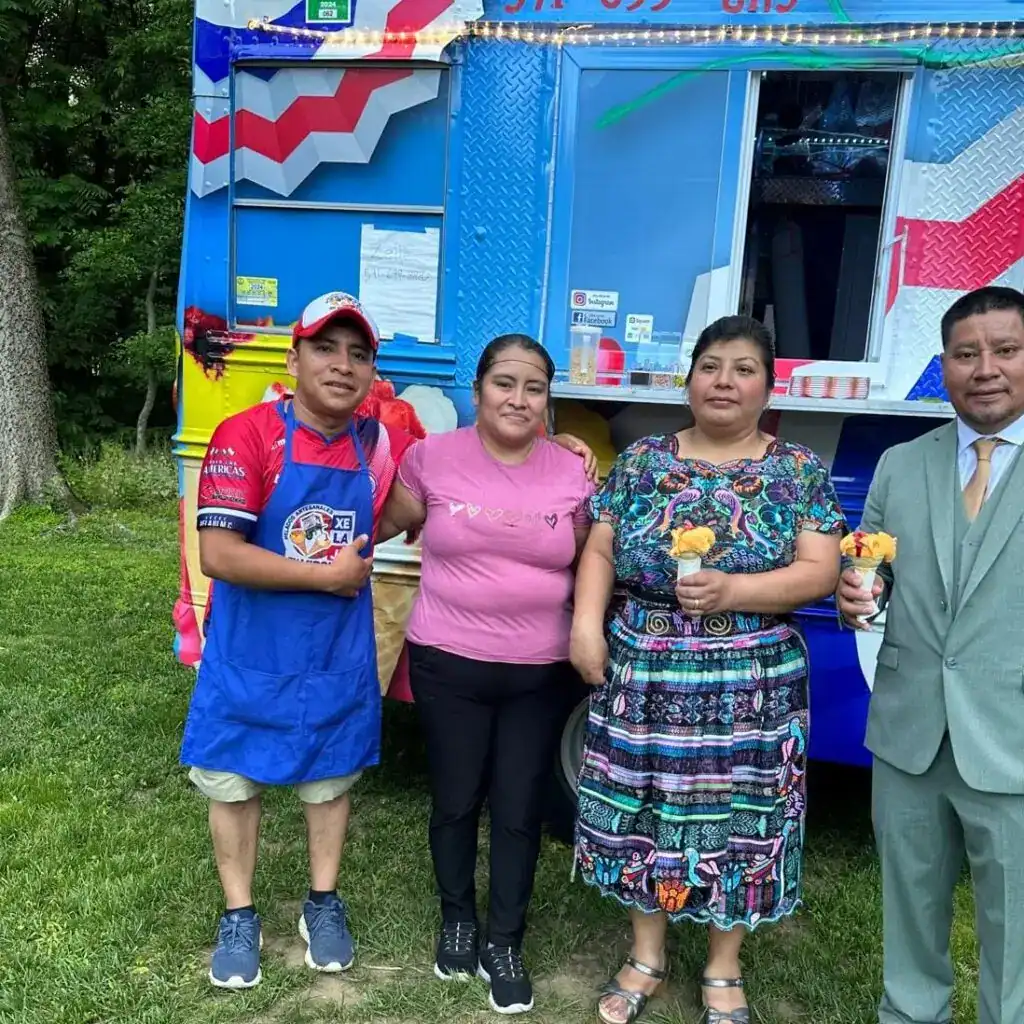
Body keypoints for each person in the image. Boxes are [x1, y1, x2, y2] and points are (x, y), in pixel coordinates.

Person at [570, 316, 845, 1024]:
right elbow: (600, 548)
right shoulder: (642, 461)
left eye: (744, 368)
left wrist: (735, 591)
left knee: (744, 817)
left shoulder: (797, 471)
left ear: (768, 384)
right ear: (688, 378)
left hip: (751, 677)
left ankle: (724, 964)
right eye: (711, 366)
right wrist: (584, 626)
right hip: (647, 666)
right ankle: (647, 954)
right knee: (646, 810)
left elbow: (819, 571)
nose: (725, 381)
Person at [180, 292, 418, 989]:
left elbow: (424, 496)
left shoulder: (375, 444)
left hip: (333, 657)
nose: (343, 366)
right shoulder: (246, 435)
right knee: (232, 781)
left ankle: (323, 902)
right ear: (294, 358)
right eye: (326, 348)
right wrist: (324, 576)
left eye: (359, 354)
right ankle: (240, 914)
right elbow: (219, 554)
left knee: (330, 778)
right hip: (251, 653)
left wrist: (555, 446)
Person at [378, 334, 597, 1016]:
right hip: (449, 660)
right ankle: (457, 920)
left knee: (519, 807)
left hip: (539, 669)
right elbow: (383, 522)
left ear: (547, 402)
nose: (519, 398)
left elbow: (594, 557)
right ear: (478, 391)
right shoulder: (431, 459)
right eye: (505, 382)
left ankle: (503, 940)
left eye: (534, 388)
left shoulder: (569, 472)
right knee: (455, 798)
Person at [837, 285, 1024, 1024]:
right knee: (908, 910)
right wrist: (860, 591)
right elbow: (873, 566)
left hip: (1012, 740)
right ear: (942, 366)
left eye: (1005, 351)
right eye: (966, 353)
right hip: (910, 733)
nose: (985, 369)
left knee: (1015, 933)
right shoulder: (898, 465)